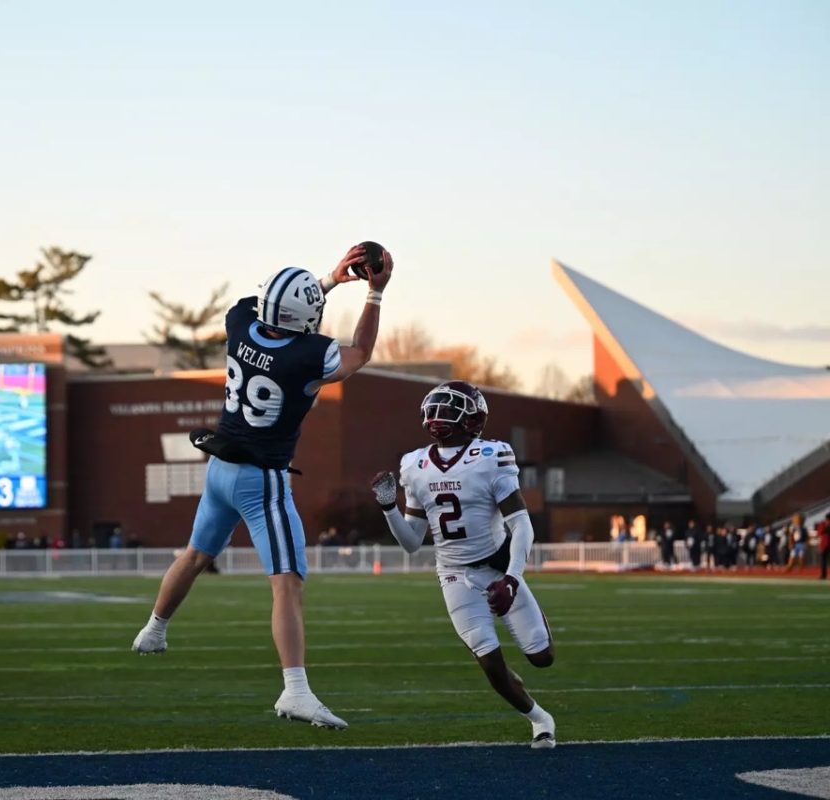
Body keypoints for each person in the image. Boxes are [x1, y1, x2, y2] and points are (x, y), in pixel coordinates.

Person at [131, 243, 393, 730]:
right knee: (287, 584)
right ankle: (296, 691)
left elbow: (269, 308)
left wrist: (330, 280)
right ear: (305, 317)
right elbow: (359, 353)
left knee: (194, 555)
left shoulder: (239, 324)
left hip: (220, 467)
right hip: (261, 478)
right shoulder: (305, 355)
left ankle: (153, 630)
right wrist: (374, 293)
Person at [370, 380, 557, 748]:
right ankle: (539, 719)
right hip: (454, 574)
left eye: (449, 407)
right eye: (435, 406)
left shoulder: (491, 456)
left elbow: (520, 524)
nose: (439, 414)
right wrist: (389, 508)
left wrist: (512, 580)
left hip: (497, 567)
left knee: (542, 657)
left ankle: (525, 644)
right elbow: (411, 542)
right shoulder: (415, 464)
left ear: (472, 417)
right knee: (491, 664)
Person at [817, 512, 830, 580]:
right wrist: (826, 527)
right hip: (824, 544)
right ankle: (823, 574)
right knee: (823, 560)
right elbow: (819, 532)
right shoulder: (822, 524)